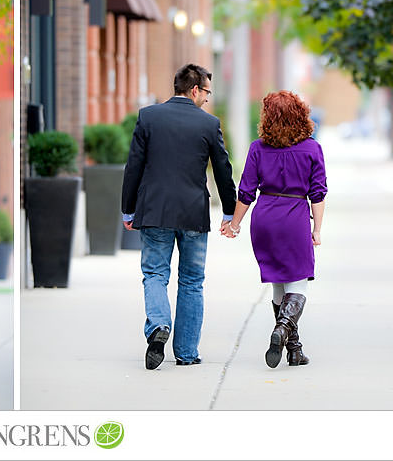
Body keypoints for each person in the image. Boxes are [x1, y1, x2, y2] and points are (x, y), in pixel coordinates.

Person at [121, 63, 236, 369]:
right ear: (195, 89)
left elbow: (134, 166)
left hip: (155, 210)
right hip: (193, 213)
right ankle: (186, 353)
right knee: (192, 281)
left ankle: (159, 324)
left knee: (156, 273)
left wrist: (128, 208)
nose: (207, 100)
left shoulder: (149, 117)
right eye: (207, 92)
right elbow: (223, 171)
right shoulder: (209, 124)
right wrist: (229, 211)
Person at [222, 90, 327, 368]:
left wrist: (234, 224)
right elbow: (318, 193)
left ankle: (294, 349)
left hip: (265, 217)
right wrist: (317, 229)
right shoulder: (312, 148)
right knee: (298, 281)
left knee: (279, 282)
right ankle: (282, 328)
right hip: (294, 217)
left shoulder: (258, 148)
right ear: (300, 115)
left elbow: (246, 192)